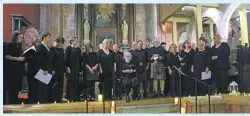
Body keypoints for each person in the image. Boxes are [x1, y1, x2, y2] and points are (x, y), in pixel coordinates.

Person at [4, 31, 25, 104]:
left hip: (18, 70)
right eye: (20, 37)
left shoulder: (19, 45)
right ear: (15, 36)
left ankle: (15, 103)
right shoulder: (10, 44)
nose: (22, 39)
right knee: (11, 89)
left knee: (16, 89)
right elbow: (6, 56)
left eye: (22, 37)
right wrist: (17, 58)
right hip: (11, 70)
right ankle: (11, 104)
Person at [35, 32, 54, 103]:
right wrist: (44, 70)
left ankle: (45, 102)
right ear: (44, 37)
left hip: (48, 70)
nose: (50, 38)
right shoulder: (40, 47)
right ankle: (41, 102)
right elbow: (40, 59)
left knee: (46, 87)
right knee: (41, 88)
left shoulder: (47, 47)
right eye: (49, 37)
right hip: (43, 70)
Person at [23, 39, 40, 103]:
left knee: (36, 85)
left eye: (37, 41)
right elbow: (25, 58)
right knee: (31, 85)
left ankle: (35, 98)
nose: (36, 43)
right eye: (35, 42)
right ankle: (30, 98)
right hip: (31, 70)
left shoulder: (39, 49)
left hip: (37, 70)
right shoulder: (29, 50)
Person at [65, 37, 82, 102]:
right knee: (70, 83)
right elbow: (66, 58)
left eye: (77, 41)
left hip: (77, 69)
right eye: (75, 41)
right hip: (70, 69)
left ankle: (76, 98)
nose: (76, 42)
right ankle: (70, 97)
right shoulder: (68, 48)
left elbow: (80, 60)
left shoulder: (78, 49)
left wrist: (80, 69)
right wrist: (67, 67)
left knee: (76, 83)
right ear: (71, 41)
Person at [51, 37, 65, 102]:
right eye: (60, 42)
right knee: (55, 83)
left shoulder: (62, 50)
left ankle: (59, 98)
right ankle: (54, 98)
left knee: (61, 83)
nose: (61, 44)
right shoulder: (53, 49)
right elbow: (52, 60)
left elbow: (63, 60)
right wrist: (52, 69)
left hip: (61, 69)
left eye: (62, 43)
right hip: (55, 69)